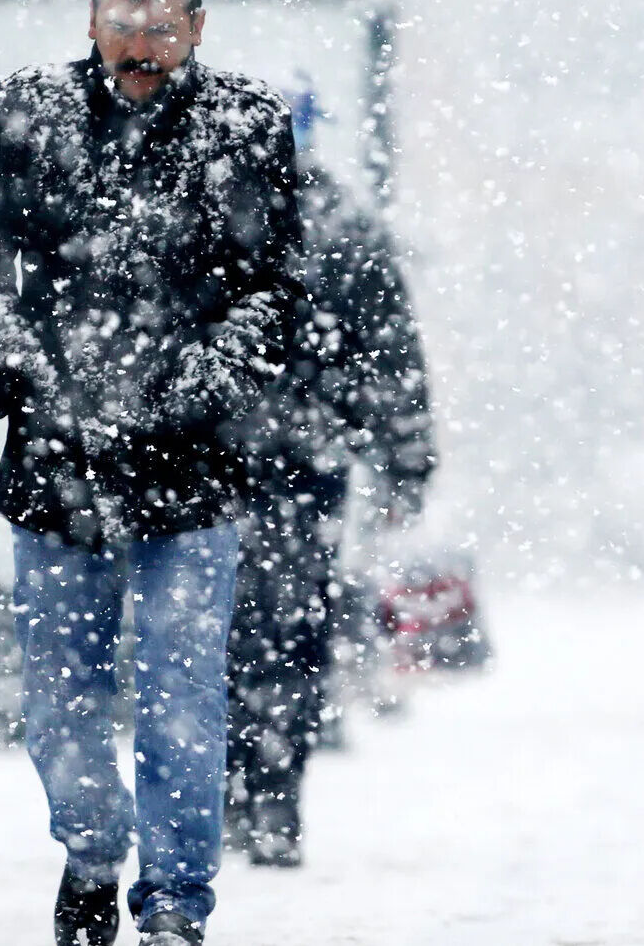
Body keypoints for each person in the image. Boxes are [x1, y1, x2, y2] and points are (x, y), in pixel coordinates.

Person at [0, 0, 304, 946]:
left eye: (159, 27)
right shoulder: (29, 110)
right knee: (61, 693)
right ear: (90, 20)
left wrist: (203, 379)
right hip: (58, 455)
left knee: (183, 687)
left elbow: (275, 284)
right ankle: (94, 846)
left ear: (197, 25)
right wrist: (22, 375)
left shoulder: (245, 122)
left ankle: (178, 900)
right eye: (120, 25)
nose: (139, 47)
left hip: (195, 455)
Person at [225, 89, 436, 868]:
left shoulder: (207, 216)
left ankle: (224, 790)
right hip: (306, 467)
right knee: (290, 629)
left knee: (211, 630)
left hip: (211, 464)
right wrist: (404, 459)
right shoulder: (344, 225)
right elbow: (392, 356)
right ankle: (274, 791)